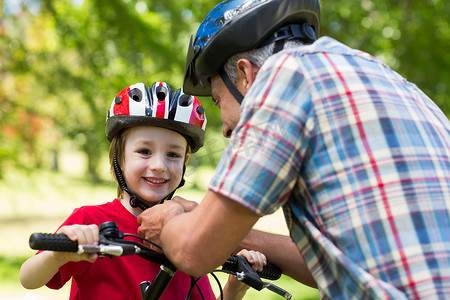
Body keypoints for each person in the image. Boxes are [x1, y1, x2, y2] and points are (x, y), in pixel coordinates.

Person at [136, 0, 450, 299]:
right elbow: (338, 267)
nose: (226, 129)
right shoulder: (395, 84)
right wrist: (213, 223)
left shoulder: (285, 79)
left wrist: (170, 221)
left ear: (247, 76)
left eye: (219, 101)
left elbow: (194, 251)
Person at [19, 82, 268, 300]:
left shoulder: (187, 232)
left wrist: (236, 288)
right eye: (144, 151)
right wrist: (58, 255)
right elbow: (28, 278)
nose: (159, 166)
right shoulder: (90, 222)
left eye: (173, 154)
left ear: (185, 162)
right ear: (119, 158)